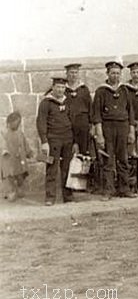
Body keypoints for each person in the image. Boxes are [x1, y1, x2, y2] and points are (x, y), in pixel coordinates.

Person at [92, 61, 137, 199]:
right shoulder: (101, 91)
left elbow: (131, 113)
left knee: (123, 159)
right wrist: (99, 134)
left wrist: (131, 131)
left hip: (123, 127)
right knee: (108, 160)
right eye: (113, 73)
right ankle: (108, 190)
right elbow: (97, 115)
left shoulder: (125, 90)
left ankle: (124, 189)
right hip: (107, 128)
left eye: (118, 73)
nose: (115, 76)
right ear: (107, 74)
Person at [37, 77, 76, 205]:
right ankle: (50, 197)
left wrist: (74, 141)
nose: (60, 90)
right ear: (53, 87)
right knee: (52, 168)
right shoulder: (46, 103)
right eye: (58, 87)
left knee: (67, 168)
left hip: (68, 139)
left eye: (63, 87)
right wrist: (44, 141)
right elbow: (41, 123)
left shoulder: (68, 101)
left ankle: (68, 196)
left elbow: (73, 121)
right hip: (53, 140)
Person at [1, 112, 33, 202]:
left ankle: (19, 189)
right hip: (9, 159)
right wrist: (4, 150)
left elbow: (25, 143)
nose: (17, 124)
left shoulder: (20, 133)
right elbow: (3, 145)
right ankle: (11, 192)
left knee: (20, 175)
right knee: (9, 176)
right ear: (9, 122)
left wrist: (29, 152)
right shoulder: (5, 134)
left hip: (20, 159)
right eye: (15, 122)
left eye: (18, 122)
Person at [124, 62, 138, 192]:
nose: (136, 75)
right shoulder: (126, 89)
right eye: (133, 72)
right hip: (131, 124)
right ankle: (132, 184)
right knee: (132, 154)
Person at [64, 63, 92, 155]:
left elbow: (90, 107)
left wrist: (91, 125)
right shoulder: (63, 90)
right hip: (68, 126)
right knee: (68, 152)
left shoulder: (84, 89)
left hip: (82, 126)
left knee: (84, 153)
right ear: (67, 73)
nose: (73, 75)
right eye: (71, 72)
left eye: (76, 72)